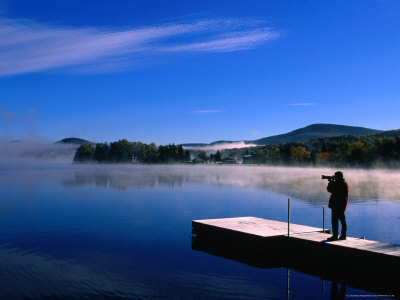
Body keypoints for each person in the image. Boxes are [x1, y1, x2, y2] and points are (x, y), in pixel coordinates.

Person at [327, 171, 349, 241]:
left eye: (335, 176)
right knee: (342, 221)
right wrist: (332, 182)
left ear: (338, 177)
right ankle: (343, 235)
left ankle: (335, 236)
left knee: (335, 221)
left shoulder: (340, 184)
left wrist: (330, 182)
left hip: (337, 205)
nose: (334, 177)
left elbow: (330, 189)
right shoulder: (344, 184)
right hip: (341, 205)